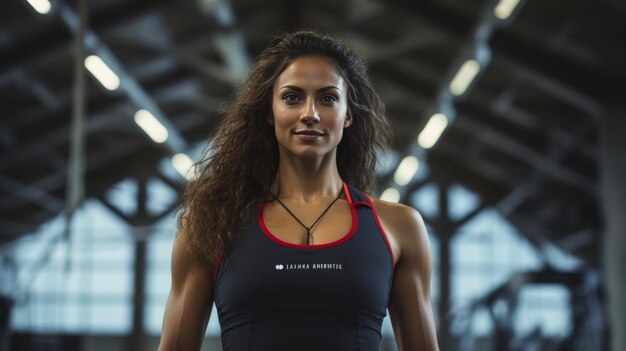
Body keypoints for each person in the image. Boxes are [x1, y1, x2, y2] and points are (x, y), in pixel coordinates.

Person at [157, 30, 439, 351]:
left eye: (328, 98)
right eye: (292, 97)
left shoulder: (399, 227)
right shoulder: (211, 223)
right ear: (269, 111)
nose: (310, 113)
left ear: (348, 114)